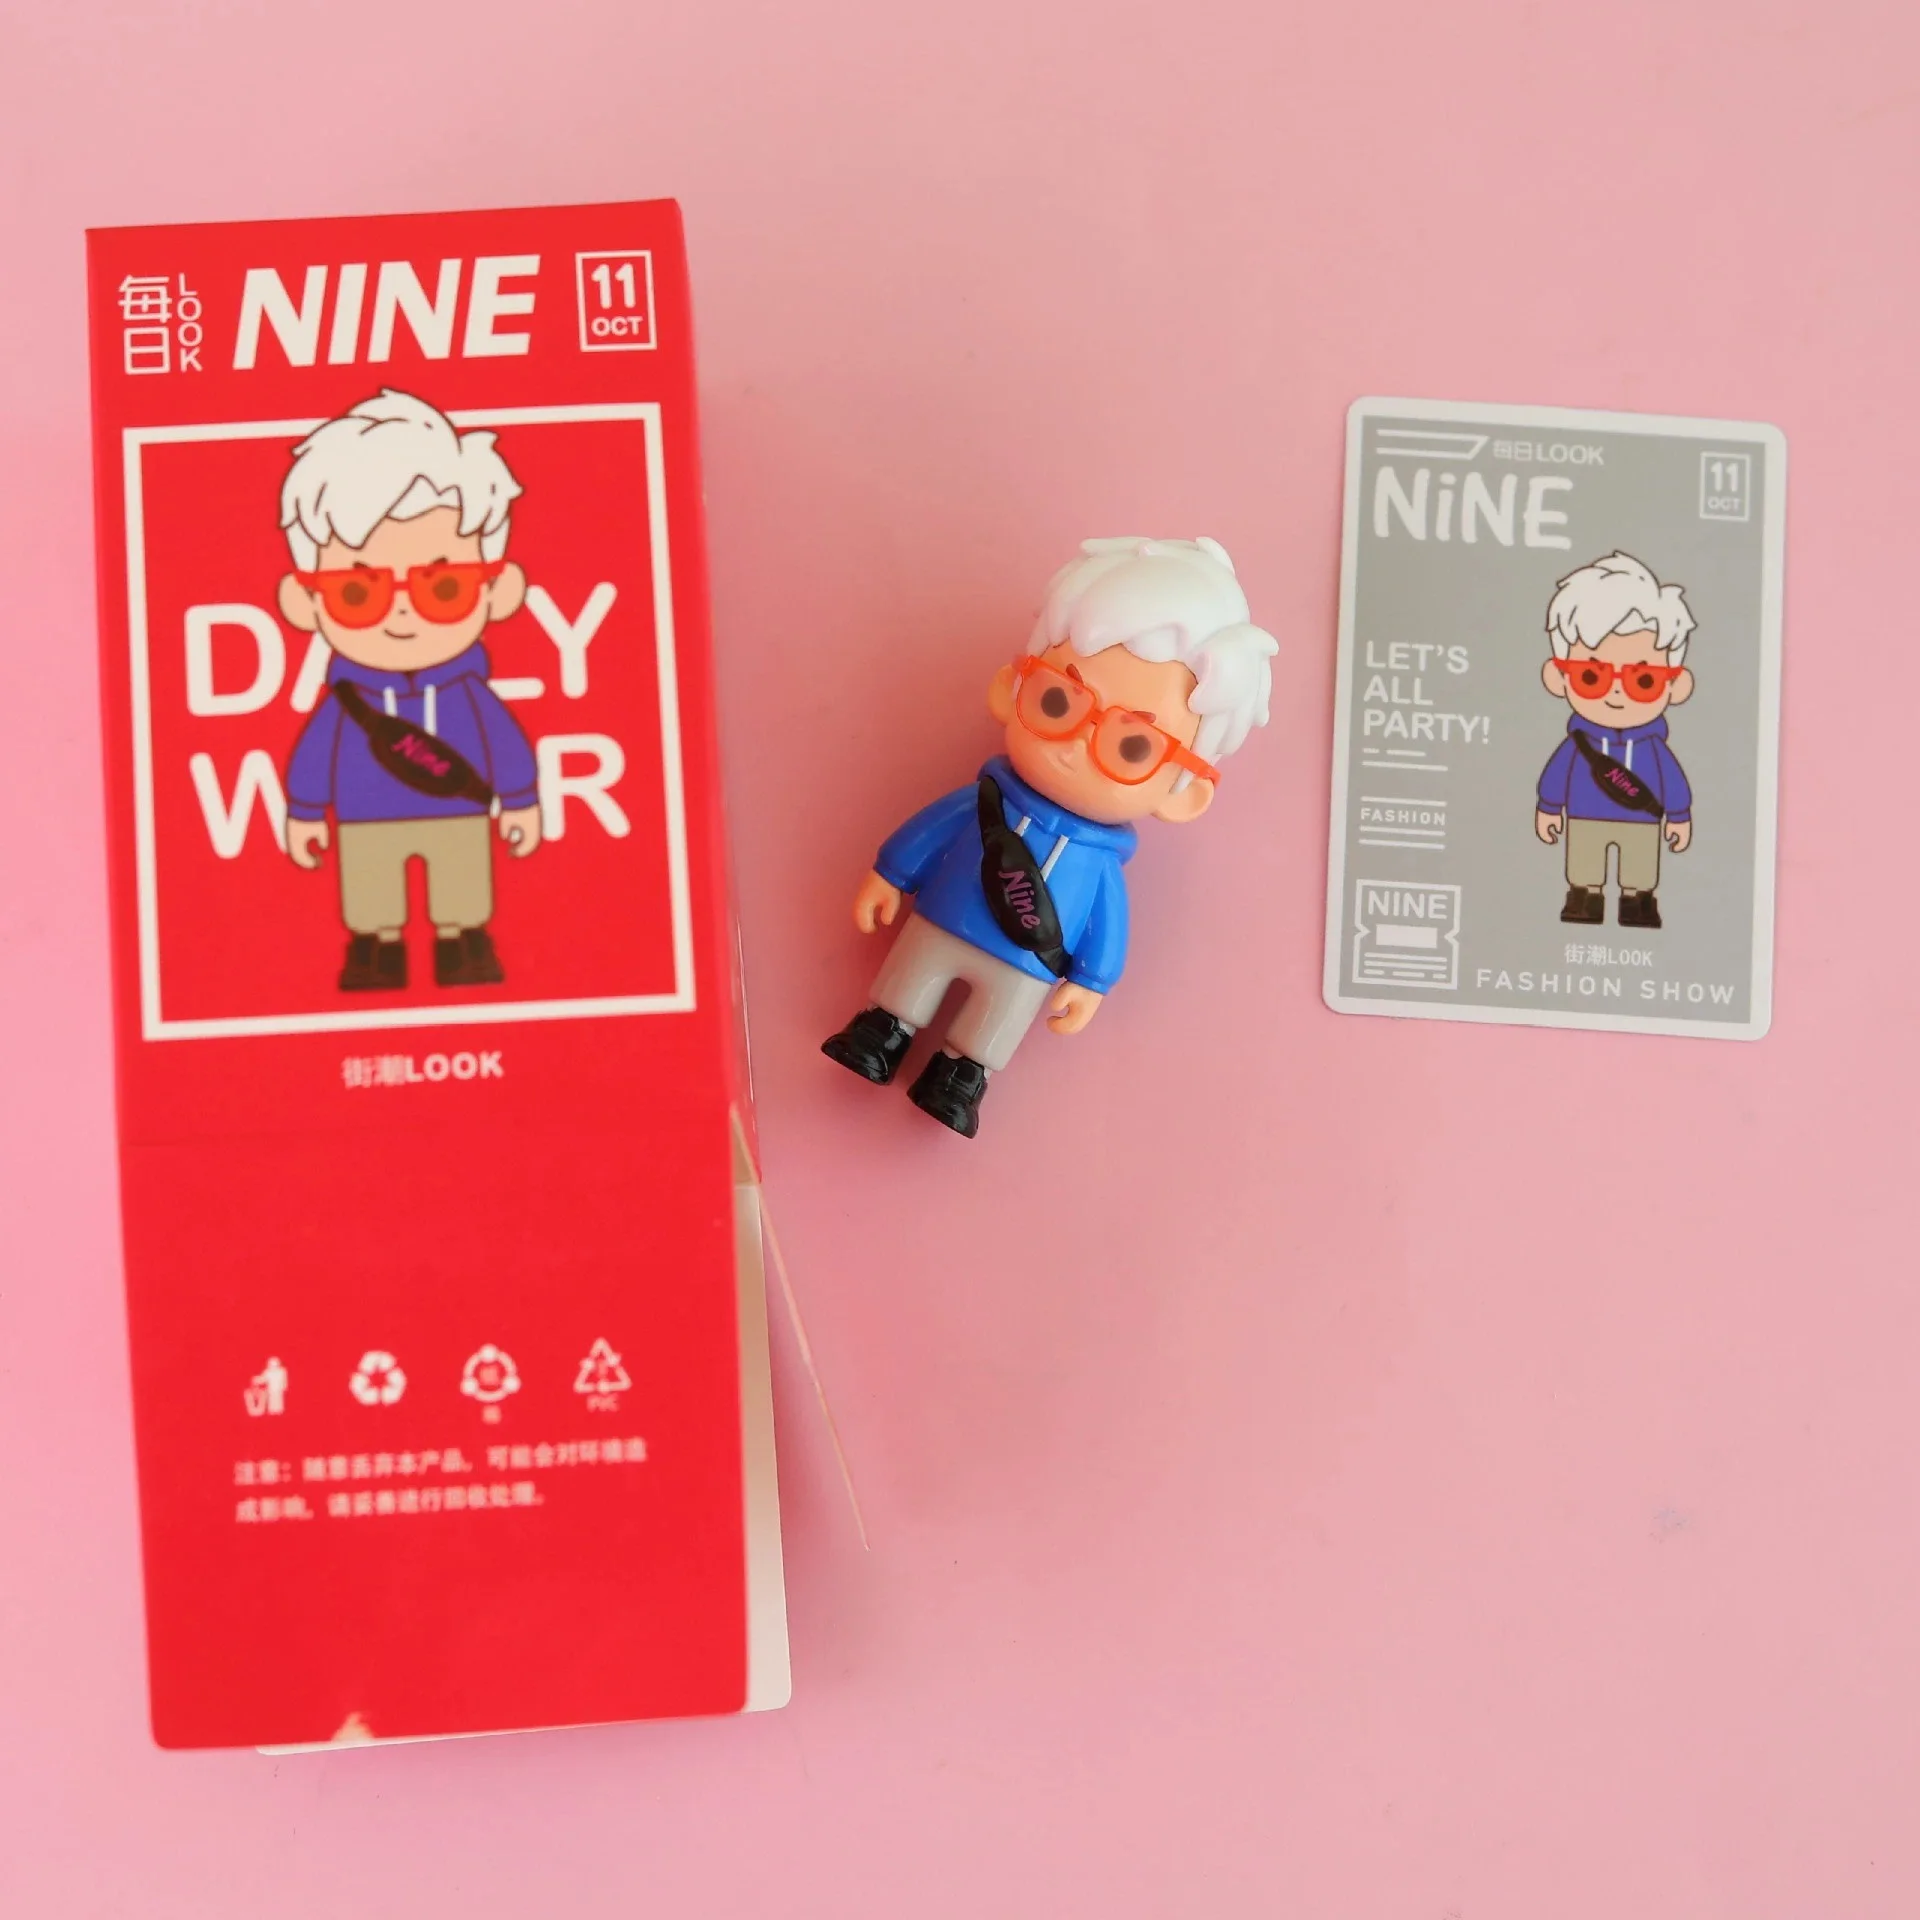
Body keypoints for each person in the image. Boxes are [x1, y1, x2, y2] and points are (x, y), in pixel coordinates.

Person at [823, 537, 1277, 1137]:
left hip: (1028, 962)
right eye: (1059, 700)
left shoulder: (1099, 864)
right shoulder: (983, 802)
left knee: (995, 1018)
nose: (1077, 747)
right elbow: (928, 833)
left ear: (1182, 794)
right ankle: (881, 1032)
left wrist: (1091, 982)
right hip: (943, 917)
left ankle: (961, 1077)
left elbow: (1107, 924)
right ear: (1011, 689)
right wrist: (890, 874)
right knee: (913, 975)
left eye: (1131, 745)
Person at [277, 390, 543, 990]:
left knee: (462, 887)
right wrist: (303, 811)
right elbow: (315, 754)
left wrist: (522, 798)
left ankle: (464, 946)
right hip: (364, 817)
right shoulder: (348, 703)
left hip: (460, 811)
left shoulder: (468, 692)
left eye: (442, 589)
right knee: (370, 894)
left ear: (496, 591)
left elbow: (503, 742)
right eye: (358, 593)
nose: (402, 614)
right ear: (306, 602)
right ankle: (376, 952)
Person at [1535, 551, 1696, 930]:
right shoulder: (1578, 744)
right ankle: (1583, 898)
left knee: (1640, 867)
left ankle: (1638, 902)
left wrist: (1679, 815)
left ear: (1675, 686)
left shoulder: (1652, 747)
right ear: (1558, 678)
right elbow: (1556, 775)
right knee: (1583, 864)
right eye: (1592, 677)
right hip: (1583, 815)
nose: (1617, 694)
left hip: (1642, 817)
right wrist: (1548, 806)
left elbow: (1672, 780)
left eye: (1644, 681)